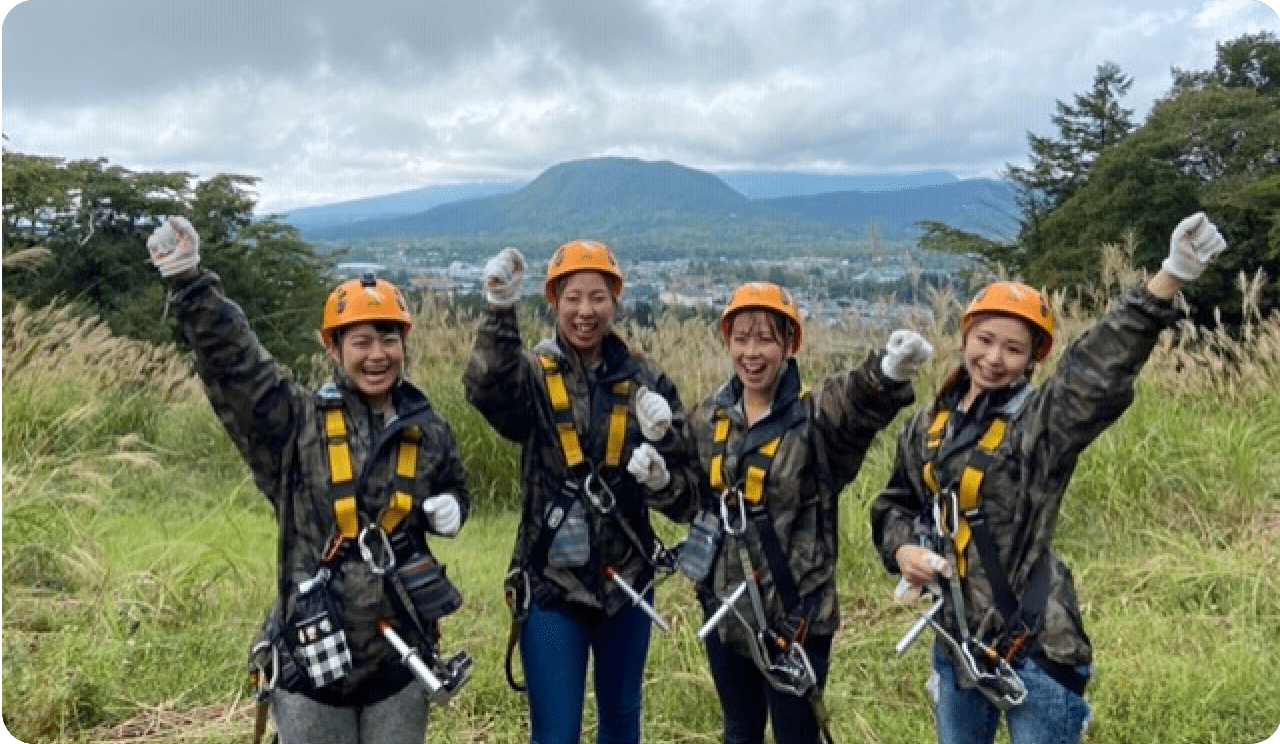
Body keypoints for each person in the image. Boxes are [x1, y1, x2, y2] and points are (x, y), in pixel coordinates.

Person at [870, 213, 1229, 744]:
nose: (993, 358)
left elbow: (1095, 372)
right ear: (964, 335)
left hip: (1036, 645)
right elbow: (894, 503)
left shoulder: (1041, 425)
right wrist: (903, 551)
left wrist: (1167, 279)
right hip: (957, 643)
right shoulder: (928, 426)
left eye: (1014, 349)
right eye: (985, 340)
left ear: (1034, 358)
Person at [143, 216, 473, 744]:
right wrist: (191, 283)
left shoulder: (428, 430)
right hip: (312, 659)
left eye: (388, 338)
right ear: (333, 346)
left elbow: (456, 487)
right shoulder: (296, 427)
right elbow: (239, 367)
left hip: (398, 660)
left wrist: (454, 507)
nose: (376, 355)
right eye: (360, 341)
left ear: (404, 343)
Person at [463, 239, 703, 744]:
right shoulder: (533, 374)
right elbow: (488, 388)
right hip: (552, 583)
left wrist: (661, 466)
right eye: (572, 297)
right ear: (554, 300)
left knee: (621, 724)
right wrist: (499, 312)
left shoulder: (646, 380)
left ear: (615, 301)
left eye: (598, 297)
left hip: (628, 581)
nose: (585, 311)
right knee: (555, 733)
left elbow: (689, 496)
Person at [685, 281, 934, 744]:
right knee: (740, 732)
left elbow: (853, 401)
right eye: (742, 338)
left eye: (765, 339)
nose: (752, 353)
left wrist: (887, 372)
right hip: (728, 611)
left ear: (789, 344)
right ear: (728, 342)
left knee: (797, 735)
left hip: (796, 618)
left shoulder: (813, 418)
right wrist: (656, 473)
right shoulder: (709, 419)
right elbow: (687, 497)